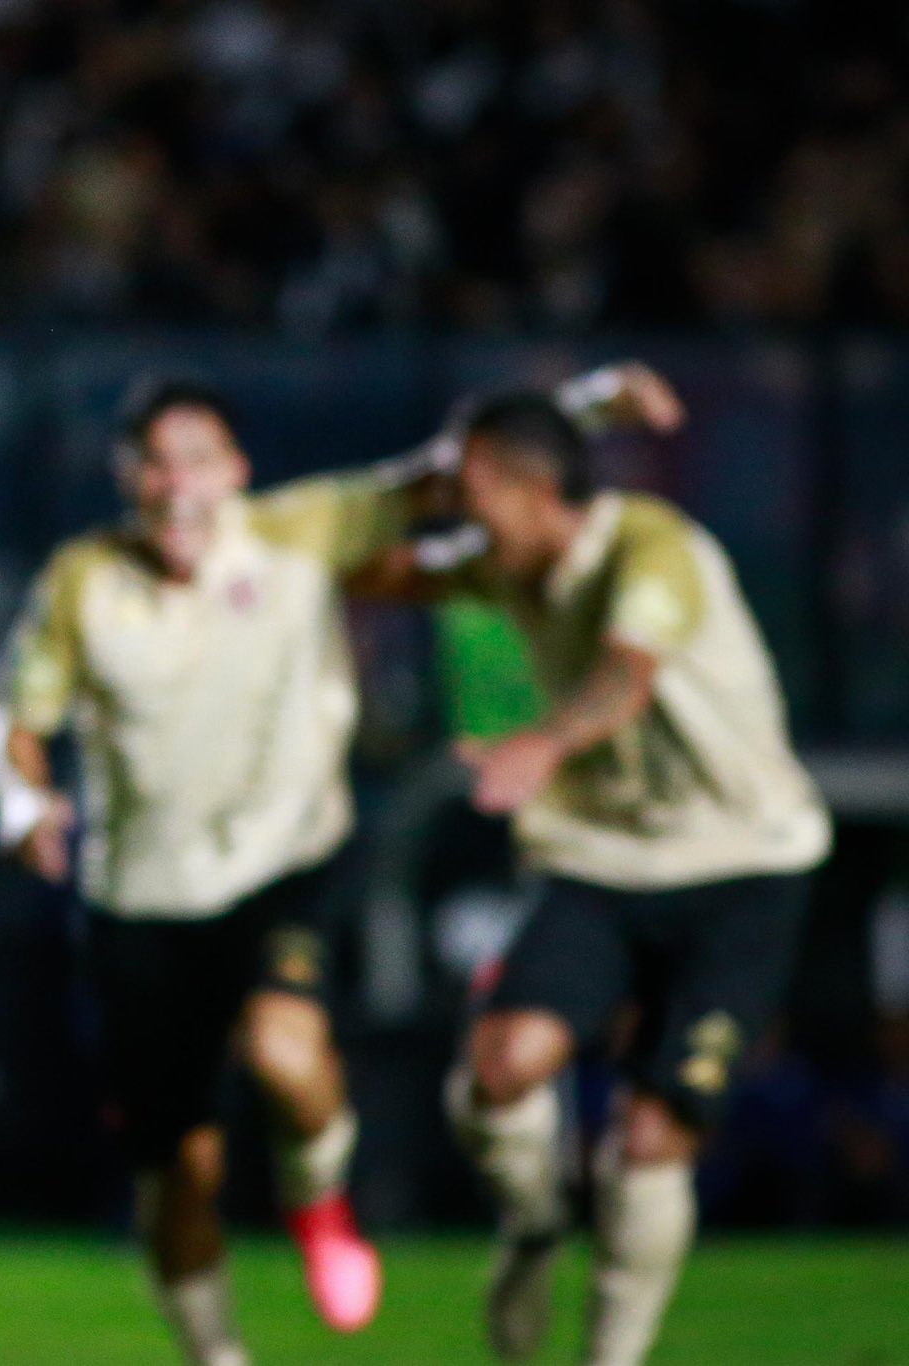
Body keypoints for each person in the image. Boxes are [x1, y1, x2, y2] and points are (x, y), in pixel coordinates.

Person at [357, 381, 831, 1365]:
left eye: (469, 485)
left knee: (653, 1139)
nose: (460, 505)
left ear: (518, 486)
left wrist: (539, 743)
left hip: (739, 863)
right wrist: (438, 477)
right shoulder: (503, 566)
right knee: (498, 1067)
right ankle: (532, 1225)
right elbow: (366, 559)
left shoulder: (651, 545)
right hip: (599, 861)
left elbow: (627, 672)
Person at [0, 377, 411, 1365]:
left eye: (196, 460)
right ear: (127, 475)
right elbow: (13, 722)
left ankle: (319, 1201)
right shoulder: (85, 577)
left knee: (283, 1053)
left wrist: (593, 406)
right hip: (138, 903)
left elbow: (436, 479)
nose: (176, 486)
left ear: (235, 471)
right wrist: (21, 800)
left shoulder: (300, 530)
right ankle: (215, 1354)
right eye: (154, 463)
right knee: (177, 1170)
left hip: (282, 864)